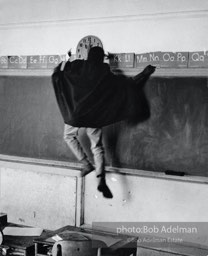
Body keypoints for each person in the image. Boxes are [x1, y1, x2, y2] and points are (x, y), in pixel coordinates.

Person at [52, 46, 155, 199]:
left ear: (88, 56)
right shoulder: (105, 73)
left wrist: (66, 57)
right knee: (97, 147)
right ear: (101, 58)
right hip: (95, 117)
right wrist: (144, 73)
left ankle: (85, 163)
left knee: (68, 136)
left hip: (76, 114)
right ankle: (101, 178)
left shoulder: (79, 65)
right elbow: (126, 85)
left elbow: (59, 74)